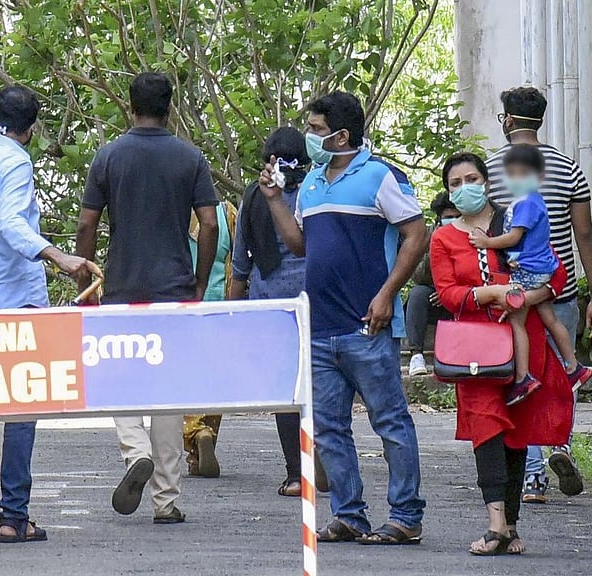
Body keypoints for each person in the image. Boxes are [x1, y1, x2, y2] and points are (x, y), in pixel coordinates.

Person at [260, 91, 428, 545]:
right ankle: (349, 513)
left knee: (390, 420)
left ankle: (406, 515)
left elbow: (416, 233)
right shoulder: (312, 182)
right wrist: (275, 199)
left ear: (341, 135)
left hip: (366, 325)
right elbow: (300, 245)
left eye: (315, 129)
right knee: (329, 426)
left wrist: (386, 294)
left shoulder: (379, 176)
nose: (309, 136)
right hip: (321, 327)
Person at [0, 85, 101, 543]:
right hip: (15, 296)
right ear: (32, 129)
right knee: (21, 404)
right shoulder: (15, 161)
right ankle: (15, 516)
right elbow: (12, 224)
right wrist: (60, 257)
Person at [75, 72, 219, 524]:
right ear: (170, 108)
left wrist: (86, 282)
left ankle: (135, 450)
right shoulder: (189, 157)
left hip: (121, 289)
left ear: (129, 106)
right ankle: (166, 501)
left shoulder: (109, 156)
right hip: (173, 290)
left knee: (120, 380)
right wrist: (198, 283)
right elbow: (210, 224)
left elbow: (86, 225)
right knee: (168, 394)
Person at [430, 152, 574, 555]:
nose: (464, 188)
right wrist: (489, 293)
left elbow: (554, 269)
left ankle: (510, 525)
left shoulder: (516, 219)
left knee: (517, 431)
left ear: (487, 182)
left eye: (471, 178)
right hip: (474, 348)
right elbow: (447, 294)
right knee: (486, 426)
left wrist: (534, 294)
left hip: (523, 340)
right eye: (455, 183)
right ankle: (495, 523)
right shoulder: (443, 237)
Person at [486, 86, 592, 503]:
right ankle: (560, 445)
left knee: (522, 378)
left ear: (508, 119)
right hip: (559, 287)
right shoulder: (568, 167)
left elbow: (487, 232)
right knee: (562, 375)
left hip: (513, 291)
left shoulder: (491, 169)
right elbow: (585, 235)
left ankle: (533, 475)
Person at [471, 145, 592, 405]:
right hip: (540, 269)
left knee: (517, 322)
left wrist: (486, 242)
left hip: (529, 271)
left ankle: (523, 378)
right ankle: (573, 367)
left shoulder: (526, 202)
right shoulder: (530, 200)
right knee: (549, 319)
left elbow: (514, 236)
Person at [228, 127, 310, 496]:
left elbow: (240, 264)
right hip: (314, 301)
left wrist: (233, 315)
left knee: (286, 390)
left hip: (270, 303)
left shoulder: (254, 197)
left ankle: (296, 472)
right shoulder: (315, 192)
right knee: (319, 384)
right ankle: (317, 460)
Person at [183, 198, 238, 479]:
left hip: (184, 303)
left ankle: (196, 434)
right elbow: (239, 261)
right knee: (215, 379)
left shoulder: (177, 209)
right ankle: (209, 434)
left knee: (186, 379)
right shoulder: (226, 214)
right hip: (220, 305)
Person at [405, 192, 460, 377]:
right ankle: (416, 354)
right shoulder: (428, 235)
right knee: (418, 294)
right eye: (448, 218)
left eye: (457, 217)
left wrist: (448, 291)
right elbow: (417, 275)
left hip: (461, 297)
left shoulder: (472, 233)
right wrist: (435, 243)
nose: (452, 221)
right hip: (433, 297)